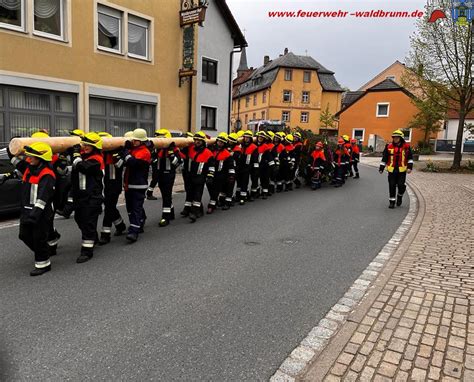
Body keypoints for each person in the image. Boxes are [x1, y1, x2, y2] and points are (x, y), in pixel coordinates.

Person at [15, 143, 56, 276]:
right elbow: (15, 161)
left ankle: (43, 264)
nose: (29, 159)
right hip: (27, 210)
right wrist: (13, 146)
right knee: (24, 235)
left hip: (41, 213)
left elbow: (43, 197)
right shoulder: (29, 168)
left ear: (41, 158)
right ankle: (44, 250)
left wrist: (35, 214)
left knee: (39, 238)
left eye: (32, 157)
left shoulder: (47, 174)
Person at [71, 132, 104, 263]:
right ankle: (93, 237)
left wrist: (76, 155)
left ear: (95, 147)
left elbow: (83, 167)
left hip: (92, 197)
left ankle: (87, 251)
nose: (85, 147)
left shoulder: (97, 159)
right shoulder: (85, 157)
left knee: (88, 223)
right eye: (84, 145)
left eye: (88, 146)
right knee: (79, 219)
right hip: (82, 196)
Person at [117, 128, 152, 242]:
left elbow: (133, 163)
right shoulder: (134, 150)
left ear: (141, 141)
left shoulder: (144, 152)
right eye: (133, 140)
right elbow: (122, 164)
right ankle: (139, 221)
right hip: (129, 184)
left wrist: (126, 152)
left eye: (136, 140)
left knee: (136, 208)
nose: (133, 142)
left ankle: (134, 232)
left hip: (138, 185)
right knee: (130, 208)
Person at [97, 132, 126, 245]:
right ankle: (120, 225)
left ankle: (105, 234)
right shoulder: (100, 154)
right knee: (111, 207)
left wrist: (117, 154)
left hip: (113, 186)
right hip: (104, 185)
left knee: (109, 208)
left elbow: (119, 165)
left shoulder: (117, 153)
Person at [181, 131, 215, 222]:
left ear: (203, 142)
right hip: (190, 176)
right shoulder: (190, 149)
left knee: (197, 195)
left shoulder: (208, 153)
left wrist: (210, 176)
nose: (197, 142)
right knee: (190, 193)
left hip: (200, 177)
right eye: (195, 140)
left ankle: (194, 213)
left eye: (199, 140)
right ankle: (199, 210)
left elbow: (211, 166)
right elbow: (183, 154)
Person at [152, 129, 182, 227]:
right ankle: (171, 211)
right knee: (165, 195)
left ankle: (166, 217)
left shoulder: (174, 149)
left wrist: (171, 154)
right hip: (160, 174)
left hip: (169, 175)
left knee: (167, 195)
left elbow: (177, 163)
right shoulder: (158, 149)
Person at [379, 130, 414, 208]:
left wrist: (409, 167)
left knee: (401, 185)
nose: (395, 139)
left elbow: (410, 158)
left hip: (402, 170)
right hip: (391, 170)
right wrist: (381, 168)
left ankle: (400, 196)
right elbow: (385, 158)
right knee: (392, 185)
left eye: (397, 137)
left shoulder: (407, 147)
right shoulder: (388, 146)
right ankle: (392, 202)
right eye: (394, 137)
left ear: (401, 138)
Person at [207, 133, 235, 213]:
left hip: (221, 175)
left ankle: (212, 206)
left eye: (222, 142)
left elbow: (231, 165)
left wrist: (231, 175)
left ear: (224, 143)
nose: (220, 143)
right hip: (211, 173)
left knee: (216, 190)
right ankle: (215, 202)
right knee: (211, 189)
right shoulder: (212, 150)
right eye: (219, 141)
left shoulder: (227, 153)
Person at [236, 130, 258, 205]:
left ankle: (243, 198)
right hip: (239, 167)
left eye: (248, 138)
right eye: (245, 137)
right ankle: (238, 196)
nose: (246, 139)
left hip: (248, 167)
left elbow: (255, 159)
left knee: (244, 182)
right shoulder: (240, 146)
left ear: (250, 138)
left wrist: (255, 169)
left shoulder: (254, 147)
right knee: (239, 182)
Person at [255, 131, 275, 199]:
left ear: (264, 139)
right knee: (256, 180)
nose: (260, 138)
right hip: (255, 166)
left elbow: (269, 157)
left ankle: (265, 193)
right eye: (259, 137)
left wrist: (272, 165)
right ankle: (257, 192)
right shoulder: (254, 145)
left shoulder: (266, 147)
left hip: (264, 167)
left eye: (262, 137)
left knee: (265, 180)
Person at [180, 132, 195, 217]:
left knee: (191, 190)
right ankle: (188, 207)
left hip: (191, 172)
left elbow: (186, 157)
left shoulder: (192, 148)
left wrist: (177, 152)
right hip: (186, 171)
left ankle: (191, 208)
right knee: (188, 190)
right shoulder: (185, 148)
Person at [227, 132, 241, 205]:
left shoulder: (237, 149)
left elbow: (237, 158)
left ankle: (230, 198)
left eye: (231, 140)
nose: (230, 141)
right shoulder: (227, 147)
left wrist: (231, 153)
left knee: (231, 184)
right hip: (226, 168)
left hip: (234, 169)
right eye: (229, 140)